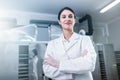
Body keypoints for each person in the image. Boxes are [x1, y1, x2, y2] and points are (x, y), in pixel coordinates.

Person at [43, 7, 97, 80]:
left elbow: (90, 64)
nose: (67, 19)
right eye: (64, 17)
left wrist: (57, 64)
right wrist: (79, 60)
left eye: (70, 16)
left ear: (74, 20)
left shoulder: (85, 39)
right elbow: (47, 70)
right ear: (59, 21)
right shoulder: (51, 44)